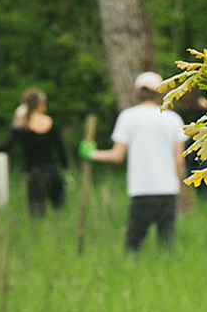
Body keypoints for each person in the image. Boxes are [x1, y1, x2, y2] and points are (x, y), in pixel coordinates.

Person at [80, 71, 186, 252]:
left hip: (142, 188)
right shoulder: (173, 119)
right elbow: (179, 160)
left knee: (133, 244)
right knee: (167, 243)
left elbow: (117, 155)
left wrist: (92, 154)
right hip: (168, 188)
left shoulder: (128, 117)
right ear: (160, 92)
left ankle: (133, 272)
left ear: (137, 92)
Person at [0, 88, 69, 216]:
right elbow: (61, 149)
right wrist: (66, 167)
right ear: (40, 104)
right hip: (52, 172)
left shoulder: (21, 126)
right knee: (58, 212)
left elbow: (7, 147)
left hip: (34, 174)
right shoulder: (50, 123)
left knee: (37, 215)